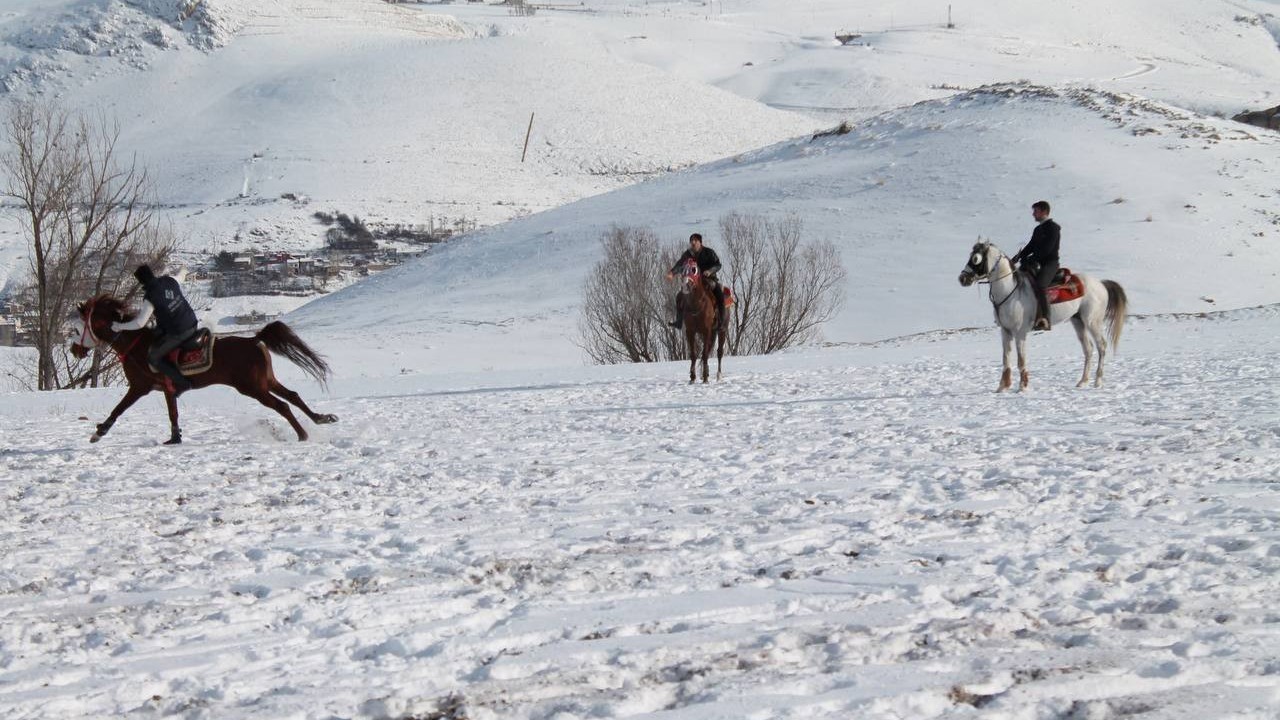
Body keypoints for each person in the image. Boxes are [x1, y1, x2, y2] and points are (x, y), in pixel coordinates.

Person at [112, 264, 199, 393]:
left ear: (141, 282)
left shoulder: (150, 297)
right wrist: (183, 270)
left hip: (180, 332)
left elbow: (139, 324)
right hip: (192, 322)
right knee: (156, 333)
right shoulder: (169, 280)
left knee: (153, 357)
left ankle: (182, 383)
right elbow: (181, 277)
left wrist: (119, 326)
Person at [1011, 200, 1060, 331]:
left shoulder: (1053, 228)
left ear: (1044, 212)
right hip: (1036, 262)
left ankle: (1046, 319)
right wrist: (1017, 258)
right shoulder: (1038, 229)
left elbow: (1047, 249)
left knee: (1040, 285)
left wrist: (1032, 258)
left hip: (1050, 264)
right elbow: (1030, 246)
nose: (1033, 214)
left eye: (1035, 211)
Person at [666, 233, 723, 330]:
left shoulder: (709, 252)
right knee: (679, 296)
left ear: (700, 242)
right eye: (691, 241)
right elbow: (680, 265)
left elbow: (718, 265)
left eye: (695, 240)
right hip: (693, 282)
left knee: (719, 294)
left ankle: (721, 321)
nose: (693, 242)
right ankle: (679, 321)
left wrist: (710, 271)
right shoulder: (688, 254)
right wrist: (672, 273)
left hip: (709, 279)